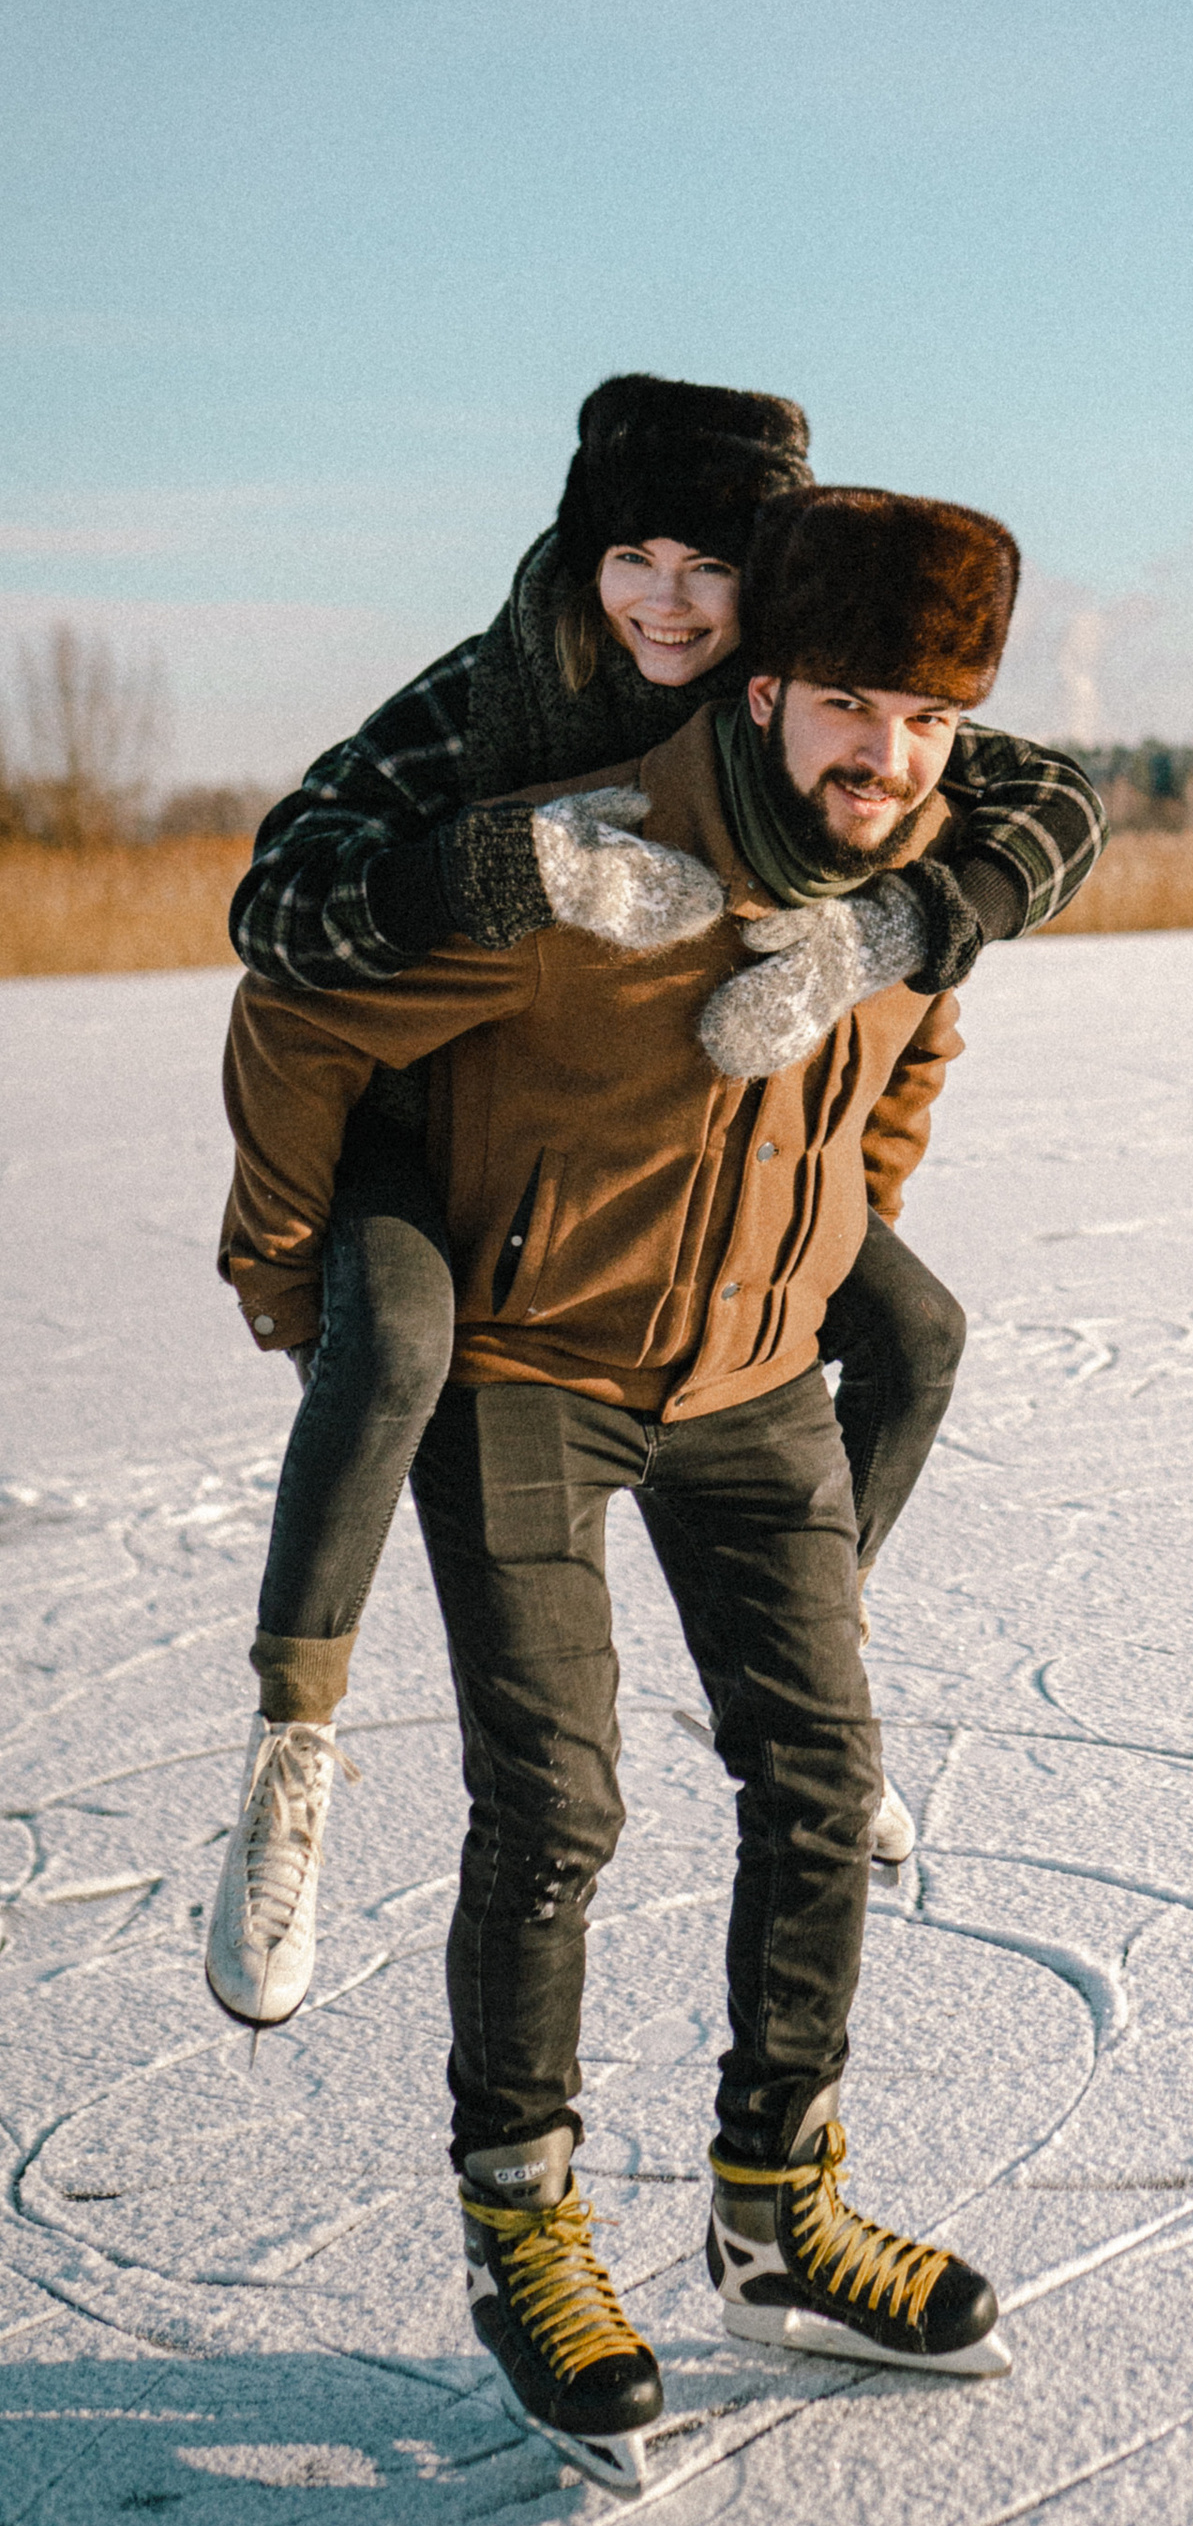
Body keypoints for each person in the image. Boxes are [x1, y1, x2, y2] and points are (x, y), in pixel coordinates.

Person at [218, 485, 1027, 2488]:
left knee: (825, 1783)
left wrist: (833, 1237)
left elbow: (903, 1069)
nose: (884, 755)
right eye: (848, 703)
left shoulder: (921, 878)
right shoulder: (588, 865)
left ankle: (778, 2215)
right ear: (761, 691)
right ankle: (526, 2232)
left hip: (753, 1381)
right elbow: (296, 1015)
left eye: (922, 720)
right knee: (558, 1805)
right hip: (525, 1370)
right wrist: (291, 1277)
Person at [207, 374, 1105, 2028]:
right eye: (637, 557)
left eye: (714, 565)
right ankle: (292, 1752)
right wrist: (507, 863)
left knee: (910, 1330)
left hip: (683, 1152)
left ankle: (801, 1665)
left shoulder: (831, 710)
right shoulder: (493, 696)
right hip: (439, 1106)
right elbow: (278, 914)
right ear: (583, 552)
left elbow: (1053, 803)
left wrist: (897, 941)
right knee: (398, 1340)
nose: (670, 603)